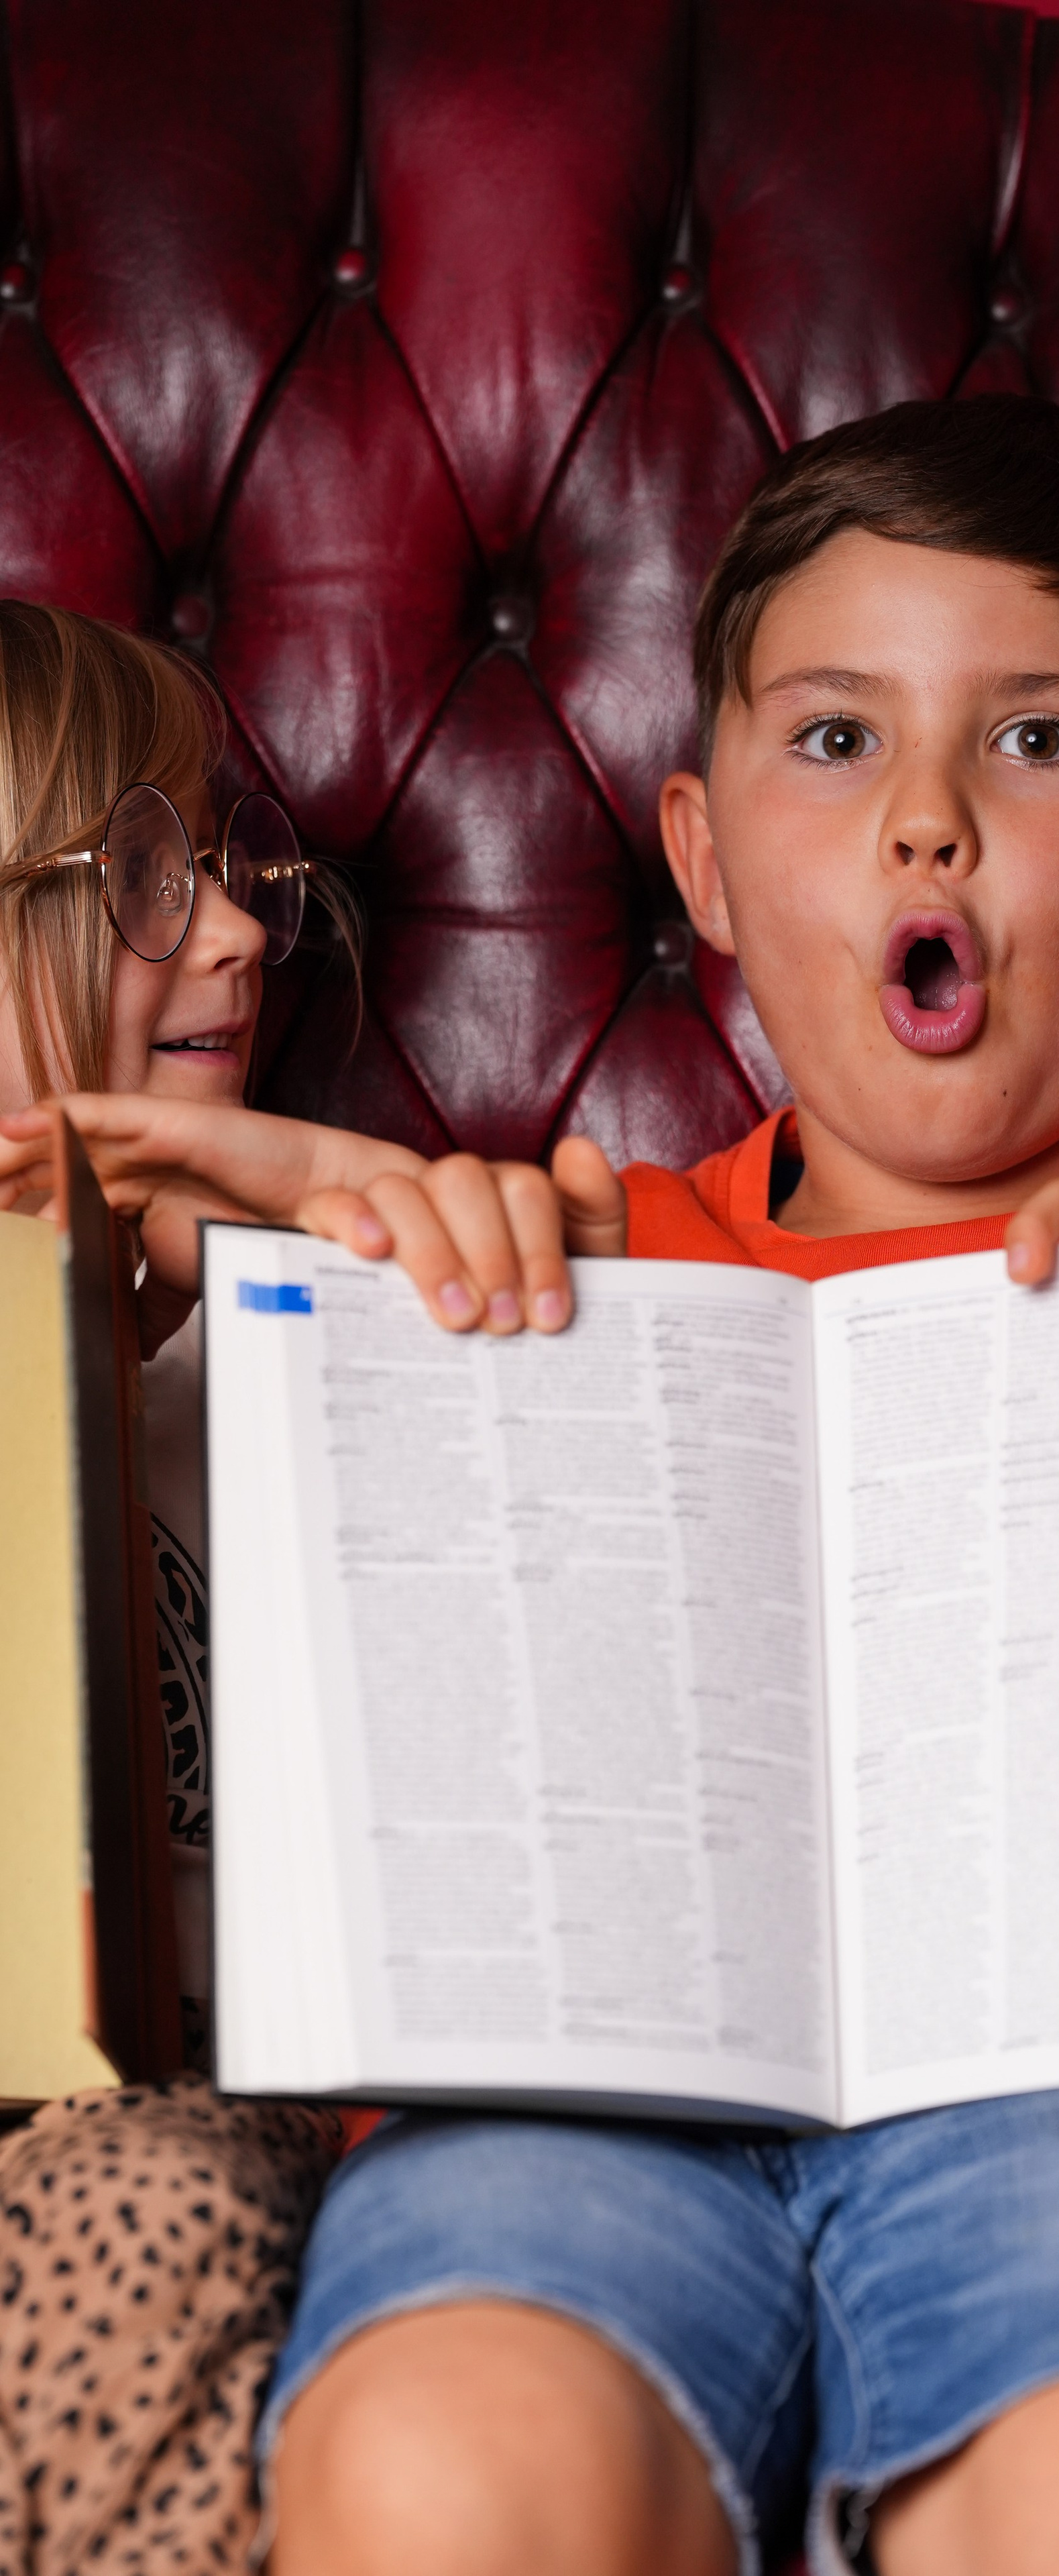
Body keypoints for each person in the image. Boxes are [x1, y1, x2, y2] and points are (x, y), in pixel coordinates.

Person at [5, 399, 1059, 2576]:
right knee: (442, 2476)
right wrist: (335, 1258)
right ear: (705, 865)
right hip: (579, 2109)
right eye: (836, 745)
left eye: (1038, 743)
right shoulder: (578, 1250)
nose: (928, 823)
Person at [0, 602, 350, 2572]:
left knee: (162, 2197)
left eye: (232, 867)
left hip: (181, 2111)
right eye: (142, 875)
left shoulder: (302, 1308)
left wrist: (282, 1257)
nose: (232, 934)